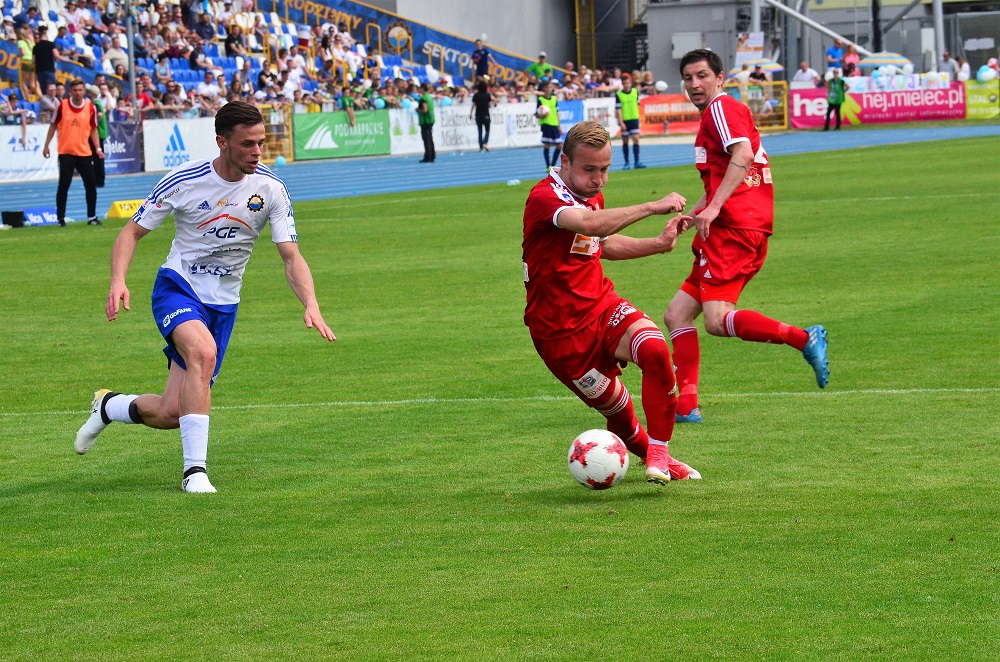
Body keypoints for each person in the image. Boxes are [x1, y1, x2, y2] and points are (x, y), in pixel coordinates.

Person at [73, 101, 336, 494]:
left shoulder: (271, 189)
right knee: (202, 352)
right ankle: (194, 472)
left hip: (223, 303)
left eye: (261, 143)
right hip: (178, 287)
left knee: (170, 413)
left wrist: (310, 303)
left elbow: (290, 256)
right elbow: (130, 232)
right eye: (248, 144)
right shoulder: (185, 180)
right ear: (222, 142)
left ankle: (108, 405)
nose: (258, 152)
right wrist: (118, 280)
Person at [522, 120, 699, 484]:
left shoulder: (590, 197)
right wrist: (654, 205)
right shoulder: (545, 198)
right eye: (589, 169)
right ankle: (647, 449)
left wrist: (657, 244)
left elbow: (600, 245)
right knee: (619, 413)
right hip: (560, 337)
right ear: (565, 162)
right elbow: (591, 226)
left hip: (602, 307)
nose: (599, 179)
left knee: (653, 349)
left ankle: (661, 455)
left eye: (604, 169)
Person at [662, 50, 829, 424]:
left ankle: (804, 338)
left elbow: (743, 151)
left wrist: (716, 207)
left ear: (720, 78)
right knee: (676, 315)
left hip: (734, 229)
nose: (694, 84)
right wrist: (696, 213)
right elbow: (726, 173)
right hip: (732, 226)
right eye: (688, 78)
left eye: (702, 75)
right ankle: (686, 405)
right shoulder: (718, 114)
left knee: (717, 320)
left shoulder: (721, 109)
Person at [42, 79, 105, 226]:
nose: (78, 93)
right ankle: (61, 219)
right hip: (66, 153)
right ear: (70, 91)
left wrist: (98, 148)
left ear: (84, 91)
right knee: (64, 185)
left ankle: (92, 217)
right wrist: (46, 146)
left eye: (80, 90)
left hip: (84, 153)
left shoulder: (90, 108)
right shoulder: (62, 106)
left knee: (90, 184)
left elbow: (94, 129)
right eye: (75, 90)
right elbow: (53, 126)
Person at [614, 74, 644, 170]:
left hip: (634, 119)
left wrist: (639, 118)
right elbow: (618, 109)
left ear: (630, 83)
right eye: (624, 83)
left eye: (628, 83)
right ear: (622, 84)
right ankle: (626, 162)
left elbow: (637, 105)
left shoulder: (635, 92)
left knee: (636, 139)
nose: (626, 85)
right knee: (625, 141)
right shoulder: (619, 94)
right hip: (625, 120)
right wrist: (621, 122)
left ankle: (637, 161)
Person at [536, 80, 561, 171]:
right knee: (547, 145)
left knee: (559, 145)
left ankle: (553, 164)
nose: (550, 89)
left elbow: (557, 112)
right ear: (544, 89)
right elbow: (536, 114)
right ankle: (548, 166)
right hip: (546, 124)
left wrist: (559, 125)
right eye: (548, 87)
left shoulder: (554, 99)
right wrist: (542, 115)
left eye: (551, 87)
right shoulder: (540, 100)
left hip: (554, 124)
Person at [470, 80, 492, 151]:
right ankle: (485, 143)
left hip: (478, 115)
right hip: (486, 114)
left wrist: (470, 113)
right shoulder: (487, 95)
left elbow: (473, 105)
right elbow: (489, 105)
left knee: (480, 131)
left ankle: (480, 146)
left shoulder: (476, 95)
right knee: (487, 130)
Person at [416, 82, 435, 163]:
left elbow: (425, 110)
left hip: (425, 120)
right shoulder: (429, 97)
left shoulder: (424, 98)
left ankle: (428, 156)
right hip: (430, 119)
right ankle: (432, 155)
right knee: (430, 138)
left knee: (426, 139)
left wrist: (417, 110)